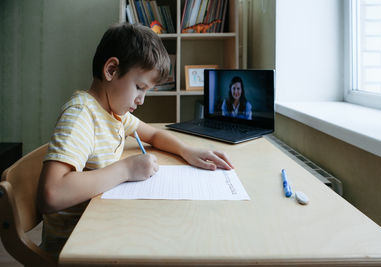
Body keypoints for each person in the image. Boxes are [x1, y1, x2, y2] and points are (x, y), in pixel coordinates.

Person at [37, 23, 234, 257]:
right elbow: (52, 193)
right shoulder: (82, 116)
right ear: (111, 70)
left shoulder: (113, 113)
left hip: (102, 225)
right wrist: (126, 170)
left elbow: (154, 134)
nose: (142, 99)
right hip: (75, 246)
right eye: (140, 87)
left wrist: (187, 150)